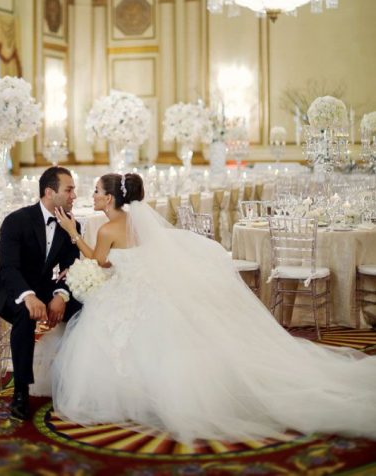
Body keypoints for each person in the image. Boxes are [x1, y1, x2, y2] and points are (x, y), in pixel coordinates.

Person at [51, 172, 376, 445]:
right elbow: (124, 260)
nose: (91, 196)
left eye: (95, 192)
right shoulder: (137, 225)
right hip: (148, 291)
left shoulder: (108, 229)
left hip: (127, 296)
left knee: (115, 341)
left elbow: (98, 259)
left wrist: (72, 233)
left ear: (109, 199)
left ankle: (143, 397)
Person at [0, 166, 81, 420]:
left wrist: (61, 295)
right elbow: (9, 267)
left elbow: (72, 268)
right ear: (50, 192)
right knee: (26, 317)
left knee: (84, 308)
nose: (74, 196)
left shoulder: (72, 224)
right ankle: (21, 392)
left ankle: (78, 381)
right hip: (10, 287)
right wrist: (28, 295)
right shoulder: (16, 220)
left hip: (44, 286)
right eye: (69, 190)